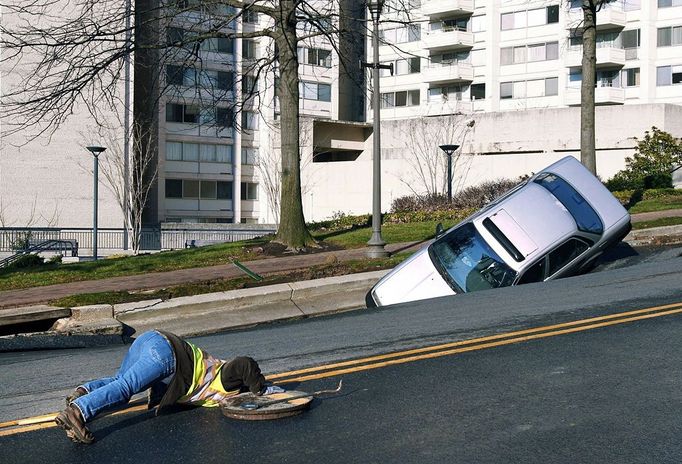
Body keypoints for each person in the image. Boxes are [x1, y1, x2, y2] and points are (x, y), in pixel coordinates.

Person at [55, 329, 283, 444]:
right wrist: (260, 388)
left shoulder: (212, 378)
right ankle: (77, 411)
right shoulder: (225, 379)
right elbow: (245, 364)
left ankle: (84, 391)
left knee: (120, 380)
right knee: (125, 388)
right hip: (167, 356)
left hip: (152, 338)